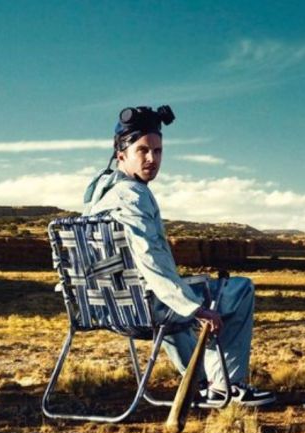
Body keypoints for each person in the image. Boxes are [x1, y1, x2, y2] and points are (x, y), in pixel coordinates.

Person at [83, 105, 275, 407]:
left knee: (171, 294)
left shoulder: (99, 193)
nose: (152, 159)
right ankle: (227, 385)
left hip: (110, 309)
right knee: (240, 289)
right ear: (121, 155)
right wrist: (195, 308)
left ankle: (200, 382)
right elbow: (151, 259)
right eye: (143, 150)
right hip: (145, 311)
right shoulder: (133, 195)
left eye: (158, 151)